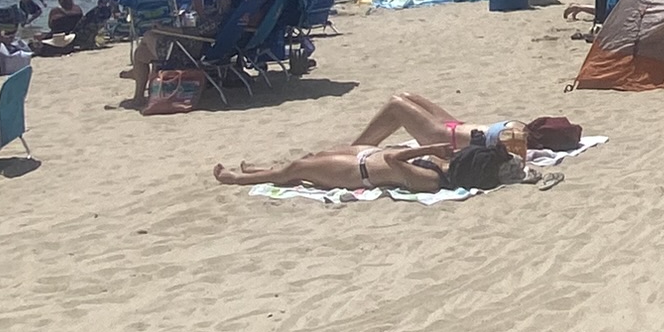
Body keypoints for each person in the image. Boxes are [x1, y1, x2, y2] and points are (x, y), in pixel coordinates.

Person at [212, 138, 529, 193]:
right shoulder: (445, 167)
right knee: (309, 159)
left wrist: (429, 148)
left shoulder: (433, 181)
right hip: (369, 155)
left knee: (296, 169)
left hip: (357, 173)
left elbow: (394, 161)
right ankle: (259, 170)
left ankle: (236, 179)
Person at [347, 92, 537, 155]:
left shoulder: (513, 136)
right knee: (406, 96)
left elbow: (512, 150)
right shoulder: (516, 128)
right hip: (453, 127)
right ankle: (361, 146)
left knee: (396, 104)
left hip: (442, 136)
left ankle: (356, 148)